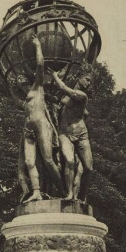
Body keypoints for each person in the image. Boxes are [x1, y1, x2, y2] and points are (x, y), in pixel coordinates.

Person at [10, 35, 65, 202]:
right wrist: (9, 86)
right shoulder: (25, 101)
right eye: (17, 79)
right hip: (29, 129)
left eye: (21, 78)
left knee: (48, 160)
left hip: (42, 125)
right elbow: (15, 99)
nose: (19, 80)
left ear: (27, 79)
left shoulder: (37, 88)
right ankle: (36, 191)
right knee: (29, 162)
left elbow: (40, 65)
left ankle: (64, 192)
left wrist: (38, 46)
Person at [48, 68, 93, 201]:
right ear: (79, 78)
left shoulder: (81, 95)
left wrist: (54, 75)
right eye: (87, 79)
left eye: (90, 81)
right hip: (65, 133)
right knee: (69, 160)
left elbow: (61, 86)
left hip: (81, 134)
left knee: (88, 168)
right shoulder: (65, 97)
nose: (89, 83)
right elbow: (57, 99)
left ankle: (82, 196)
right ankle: (69, 194)